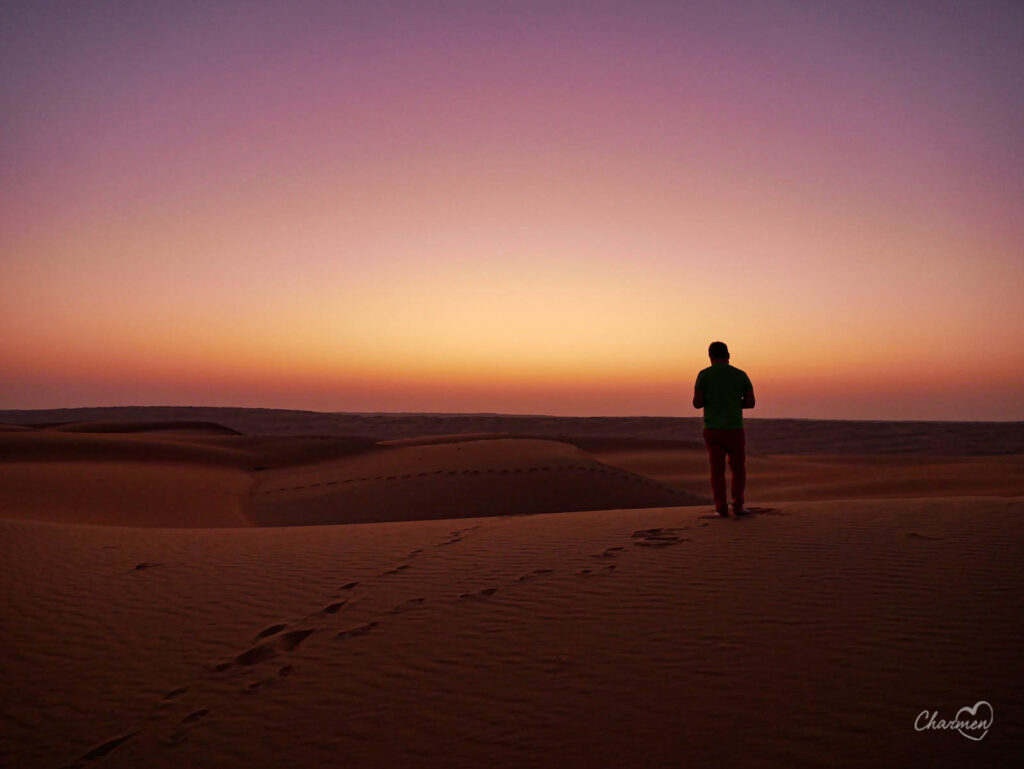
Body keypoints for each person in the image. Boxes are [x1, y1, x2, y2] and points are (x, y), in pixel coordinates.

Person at [692, 341, 755, 517]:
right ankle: (738, 506)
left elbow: (697, 403)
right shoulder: (740, 375)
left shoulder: (704, 375)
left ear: (710, 356)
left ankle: (720, 508)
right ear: (728, 355)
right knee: (738, 469)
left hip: (712, 429)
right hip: (734, 428)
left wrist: (713, 401)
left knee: (717, 470)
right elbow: (750, 403)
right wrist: (733, 403)